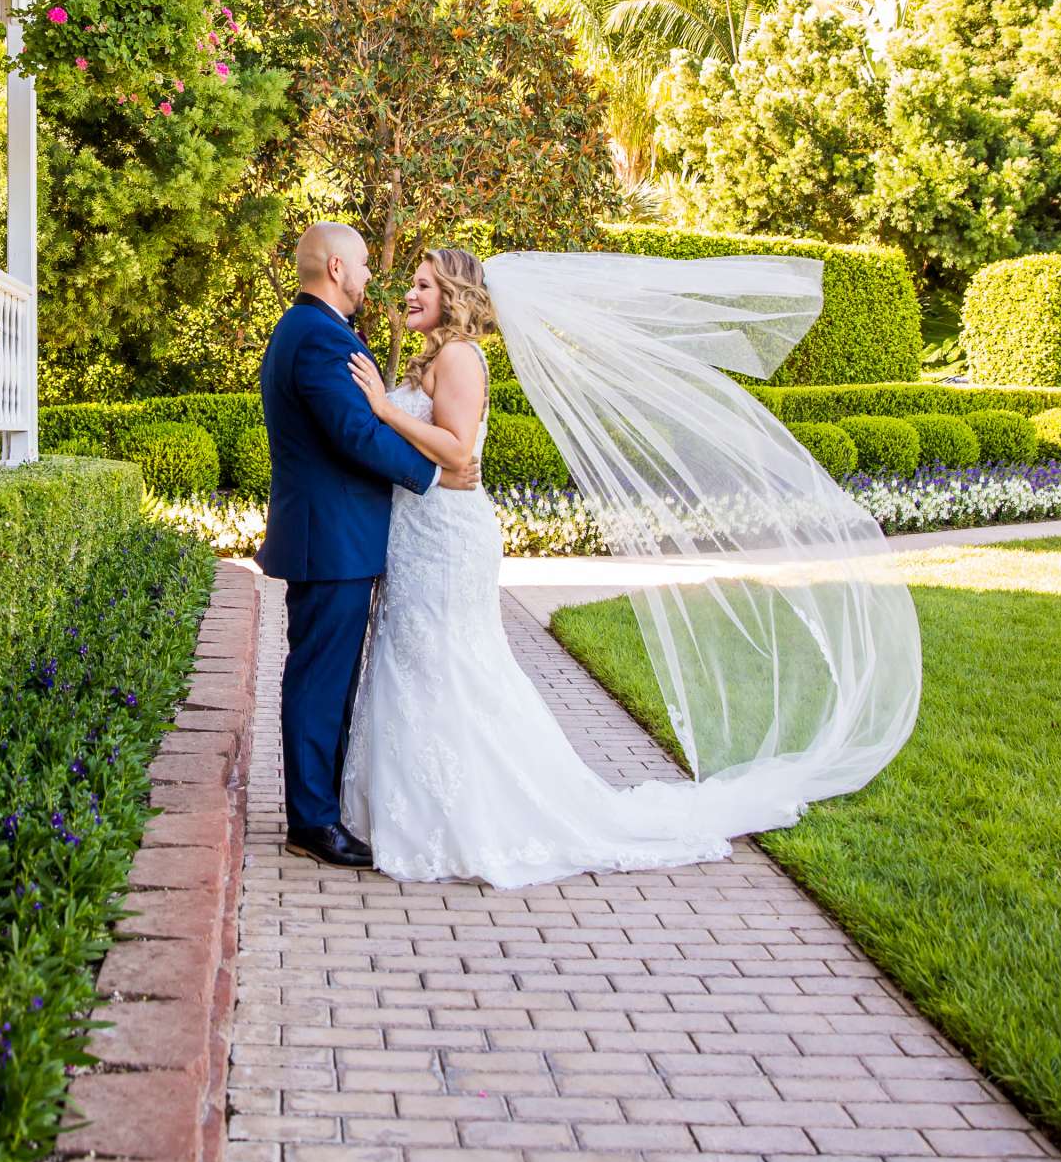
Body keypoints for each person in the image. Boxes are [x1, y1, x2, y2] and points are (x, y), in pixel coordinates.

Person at [332, 244, 923, 887]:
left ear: (454, 294)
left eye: (423, 285)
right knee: (416, 659)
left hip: (447, 542)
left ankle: (474, 814)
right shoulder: (433, 360)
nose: (409, 295)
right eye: (411, 285)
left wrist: (384, 409)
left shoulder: (459, 357)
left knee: (451, 661)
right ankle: (413, 811)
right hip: (421, 534)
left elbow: (453, 448)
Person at [254, 223, 480, 869]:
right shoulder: (318, 338)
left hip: (338, 539)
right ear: (333, 268)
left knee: (328, 679)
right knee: (319, 681)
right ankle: (312, 820)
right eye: (360, 265)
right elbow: (355, 431)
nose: (370, 277)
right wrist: (434, 475)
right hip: (332, 541)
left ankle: (322, 807)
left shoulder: (314, 332)